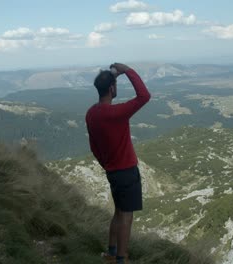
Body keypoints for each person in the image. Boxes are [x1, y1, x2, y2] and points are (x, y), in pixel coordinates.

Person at [85, 63, 151, 264]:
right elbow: (144, 96)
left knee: (118, 212)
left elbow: (93, 147)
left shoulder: (91, 113)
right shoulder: (116, 113)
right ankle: (121, 259)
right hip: (127, 171)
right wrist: (128, 70)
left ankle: (111, 252)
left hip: (112, 171)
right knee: (126, 217)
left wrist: (105, 164)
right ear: (112, 89)